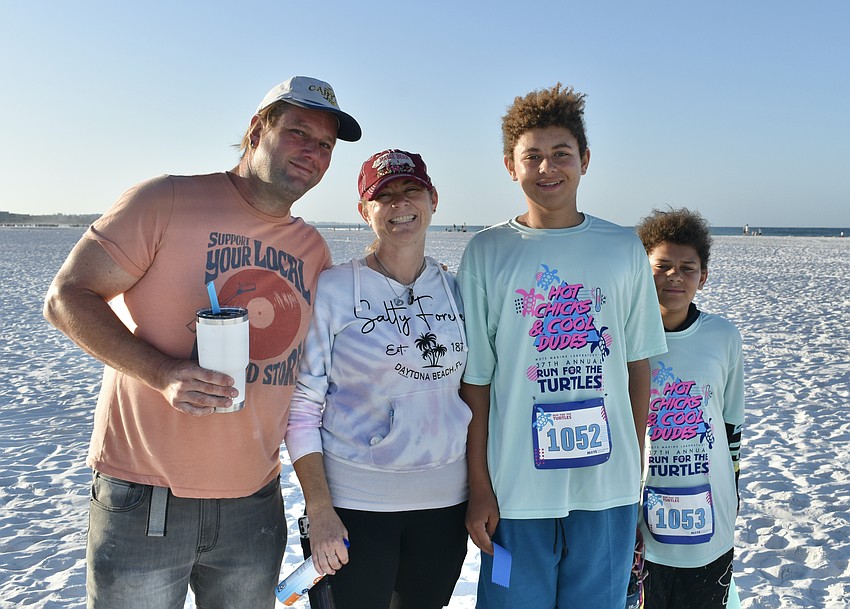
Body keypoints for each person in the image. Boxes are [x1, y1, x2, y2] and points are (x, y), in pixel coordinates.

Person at [42, 75, 361, 609]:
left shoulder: (312, 249)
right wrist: (161, 373)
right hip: (145, 497)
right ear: (258, 130)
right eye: (299, 133)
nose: (313, 152)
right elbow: (67, 298)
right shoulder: (166, 199)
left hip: (253, 505)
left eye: (325, 145)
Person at [456, 84, 668, 609]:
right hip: (515, 491)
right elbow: (476, 382)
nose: (547, 169)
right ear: (511, 165)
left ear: (585, 160)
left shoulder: (621, 248)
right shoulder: (487, 251)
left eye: (561, 155)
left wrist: (632, 460)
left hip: (607, 490)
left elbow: (637, 363)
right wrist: (479, 484)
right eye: (533, 157)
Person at [284, 149, 471, 609]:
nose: (400, 204)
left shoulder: (458, 289)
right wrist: (320, 508)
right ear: (364, 211)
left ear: (433, 199)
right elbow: (302, 407)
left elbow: (475, 393)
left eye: (412, 190)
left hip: (445, 506)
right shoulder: (332, 289)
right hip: (355, 506)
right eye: (383, 196)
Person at [634, 208, 744, 608]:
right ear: (642, 269)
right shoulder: (624, 338)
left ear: (704, 276)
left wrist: (733, 497)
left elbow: (732, 427)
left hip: (709, 521)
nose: (674, 277)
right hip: (642, 522)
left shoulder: (723, 337)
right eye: (662, 266)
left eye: (687, 267)